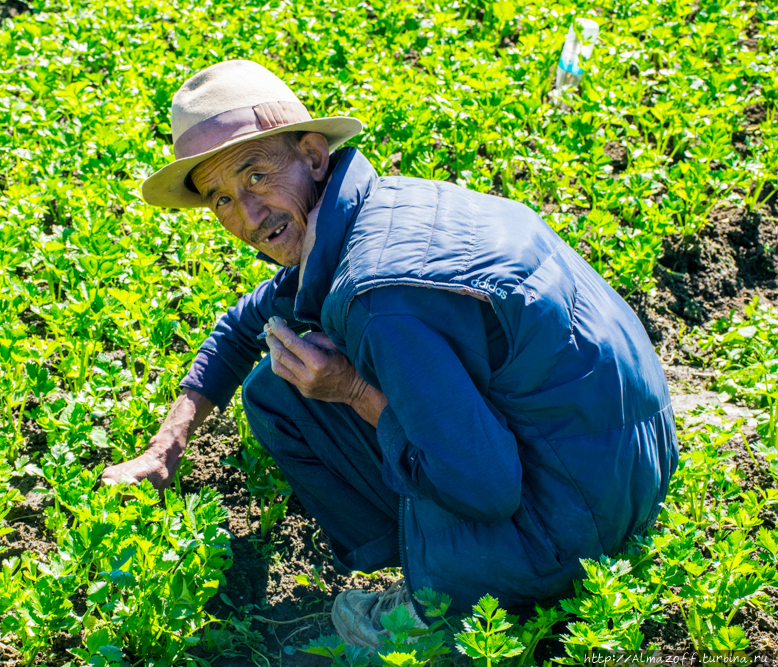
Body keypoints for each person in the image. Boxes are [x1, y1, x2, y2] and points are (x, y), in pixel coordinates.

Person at [100, 59, 679, 649]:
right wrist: (165, 447)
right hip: (633, 462)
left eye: (254, 177)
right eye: (221, 199)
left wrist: (352, 390)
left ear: (313, 155)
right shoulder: (375, 206)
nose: (246, 217)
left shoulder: (378, 297)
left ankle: (437, 600)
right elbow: (242, 325)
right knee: (273, 392)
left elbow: (487, 487)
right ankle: (422, 541)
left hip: (567, 526)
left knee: (342, 404)